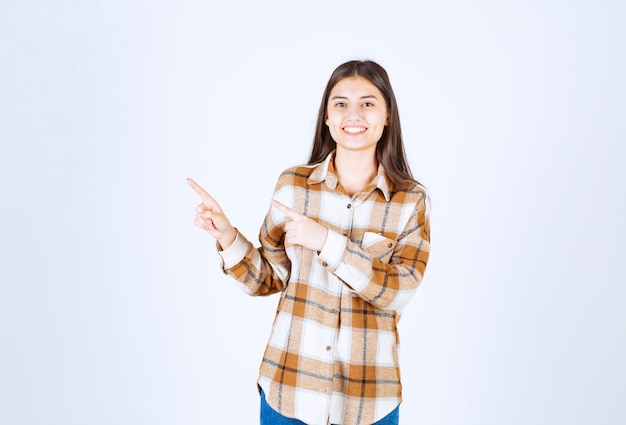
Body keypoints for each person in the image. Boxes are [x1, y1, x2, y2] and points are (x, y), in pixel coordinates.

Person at [188, 59, 431, 425]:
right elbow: (268, 278)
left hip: (369, 401)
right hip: (289, 391)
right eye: (340, 104)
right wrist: (226, 236)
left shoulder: (409, 201)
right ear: (327, 118)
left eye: (367, 103)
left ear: (387, 117)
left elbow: (398, 292)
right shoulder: (293, 187)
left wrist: (327, 242)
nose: (354, 114)